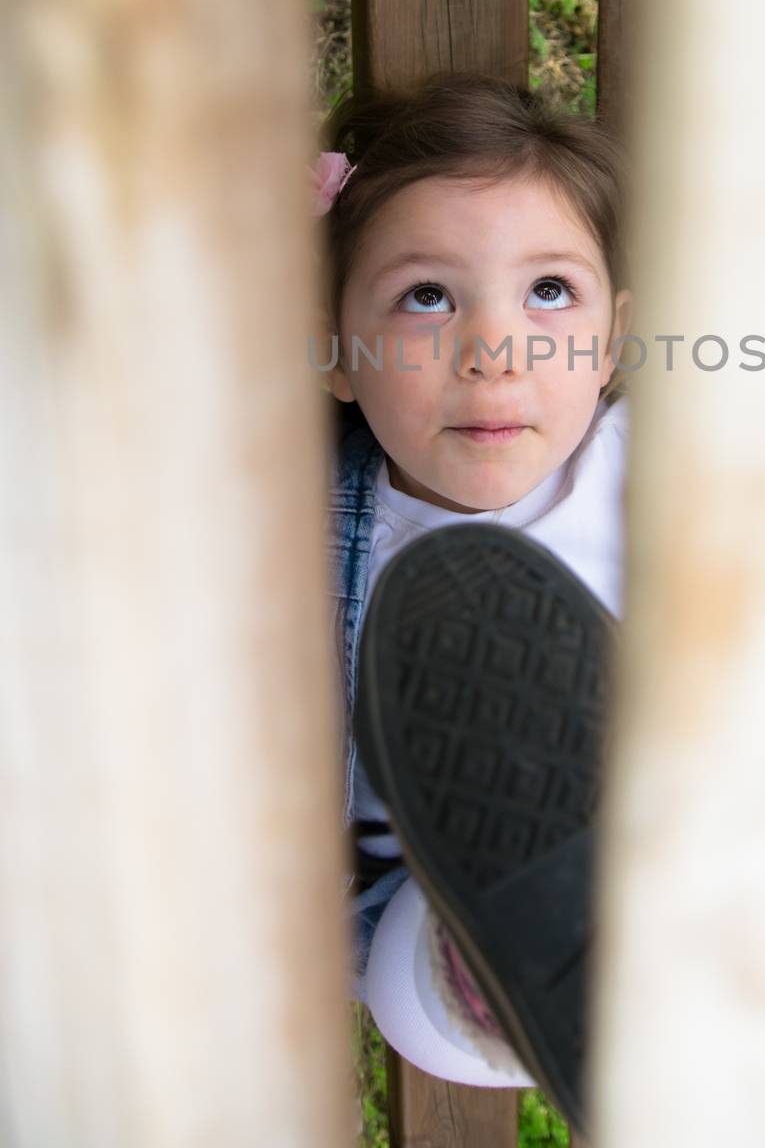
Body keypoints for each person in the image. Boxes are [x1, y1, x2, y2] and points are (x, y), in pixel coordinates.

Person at [315, 73, 632, 1128]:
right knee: (409, 996)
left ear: (615, 338)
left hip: (680, 839)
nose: (492, 351)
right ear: (333, 354)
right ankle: (560, 977)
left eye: (549, 291)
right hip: (435, 911)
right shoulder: (282, 525)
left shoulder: (658, 473)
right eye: (424, 296)